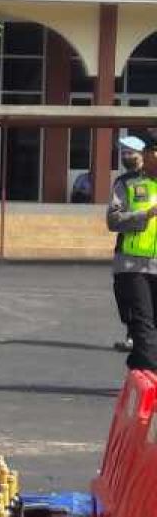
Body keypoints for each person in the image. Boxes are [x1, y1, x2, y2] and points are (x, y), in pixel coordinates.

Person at [108, 130, 157, 372]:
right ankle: (150, 382)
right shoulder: (126, 183)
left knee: (149, 332)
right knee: (143, 326)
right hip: (133, 265)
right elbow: (113, 221)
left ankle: (138, 374)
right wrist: (144, 215)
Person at [112, 135, 148, 353]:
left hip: (149, 251)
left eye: (130, 152)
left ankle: (139, 339)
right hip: (126, 249)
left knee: (143, 301)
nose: (126, 156)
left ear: (143, 155)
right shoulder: (123, 182)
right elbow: (114, 218)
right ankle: (133, 334)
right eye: (123, 152)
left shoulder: (152, 181)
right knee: (124, 295)